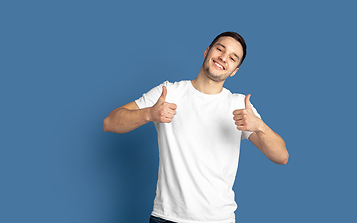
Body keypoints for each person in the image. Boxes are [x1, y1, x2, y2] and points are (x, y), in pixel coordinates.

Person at [103, 31, 289, 223]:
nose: (223, 58)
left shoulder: (239, 105)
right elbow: (109, 122)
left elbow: (281, 156)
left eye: (233, 58)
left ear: (234, 70)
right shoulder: (169, 92)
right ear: (207, 51)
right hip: (166, 218)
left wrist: (259, 126)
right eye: (220, 49)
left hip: (218, 220)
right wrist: (148, 113)